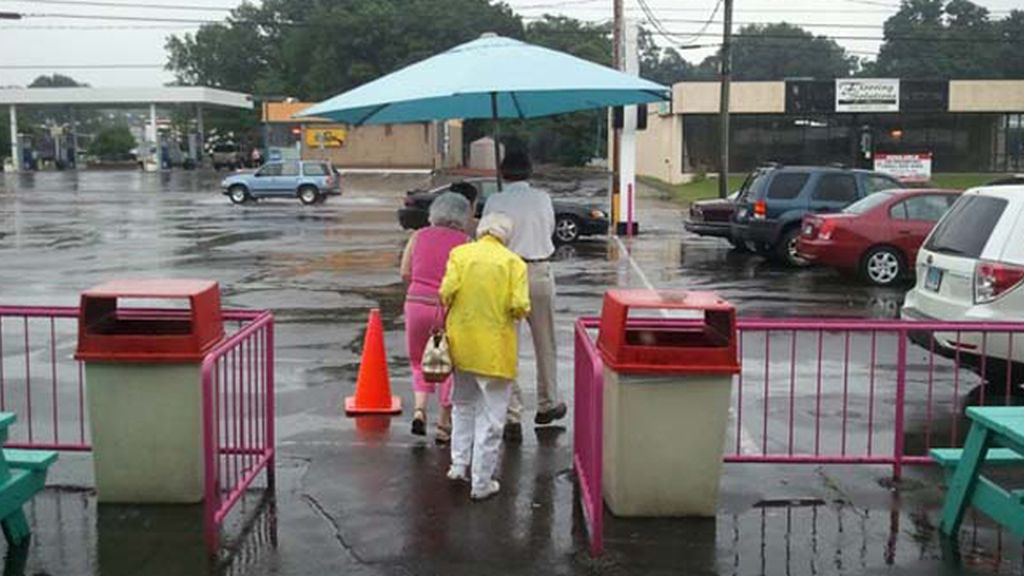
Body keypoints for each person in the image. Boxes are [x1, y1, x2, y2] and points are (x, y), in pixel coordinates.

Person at [440, 212, 530, 500]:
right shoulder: (513, 263)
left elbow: (446, 291)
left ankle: (458, 464)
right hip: (494, 350)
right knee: (492, 417)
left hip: (461, 344)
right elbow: (520, 306)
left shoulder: (460, 254)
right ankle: (481, 482)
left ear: (481, 230)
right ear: (507, 235)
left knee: (462, 404)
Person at [482, 151, 567, 442]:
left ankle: (512, 414)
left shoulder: (495, 200)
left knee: (508, 345)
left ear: (503, 173)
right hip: (538, 270)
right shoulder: (542, 198)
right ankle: (548, 403)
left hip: (505, 273)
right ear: (529, 172)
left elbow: (486, 236)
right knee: (546, 342)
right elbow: (551, 230)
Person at [400, 192, 472, 443]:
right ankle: (444, 422)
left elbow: (405, 272)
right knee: (448, 363)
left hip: (416, 303)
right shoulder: (466, 242)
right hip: (447, 307)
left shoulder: (417, 236)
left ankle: (420, 410)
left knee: (419, 360)